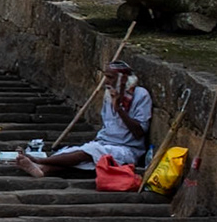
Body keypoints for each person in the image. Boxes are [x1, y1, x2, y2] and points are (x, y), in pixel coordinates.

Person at [15, 60, 153, 177]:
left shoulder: (141, 95)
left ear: (123, 79)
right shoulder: (109, 94)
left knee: (87, 153)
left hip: (127, 150)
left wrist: (119, 109)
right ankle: (43, 170)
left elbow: (139, 132)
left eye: (110, 77)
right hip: (105, 143)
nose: (106, 81)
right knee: (74, 157)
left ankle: (39, 160)